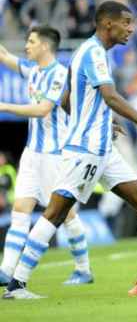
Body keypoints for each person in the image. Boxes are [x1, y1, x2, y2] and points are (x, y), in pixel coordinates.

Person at [2, 1, 137, 300]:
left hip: (102, 150)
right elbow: (110, 95)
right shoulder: (94, 52)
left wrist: (103, 118)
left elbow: (67, 99)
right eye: (126, 22)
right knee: (55, 213)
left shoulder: (87, 53)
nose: (131, 28)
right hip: (86, 150)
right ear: (107, 24)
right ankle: (17, 284)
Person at [0, 26, 94, 286]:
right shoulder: (33, 71)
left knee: (65, 214)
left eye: (30, 41)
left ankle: (83, 268)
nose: (26, 46)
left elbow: (43, 110)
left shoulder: (59, 75)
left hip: (54, 154)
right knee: (21, 209)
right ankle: (6, 269)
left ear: (44, 46)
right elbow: (6, 56)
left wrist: (5, 106)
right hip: (32, 153)